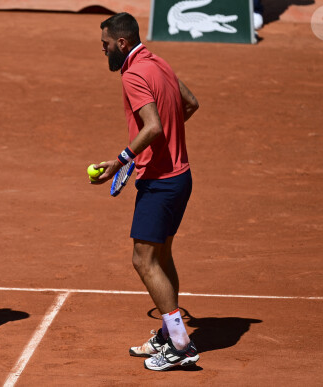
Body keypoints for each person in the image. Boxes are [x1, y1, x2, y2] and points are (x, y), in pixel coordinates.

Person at [91, 13, 200, 371]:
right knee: (162, 257)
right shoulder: (158, 62)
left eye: (105, 44)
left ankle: (181, 346)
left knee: (143, 260)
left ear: (121, 44)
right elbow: (190, 103)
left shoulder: (134, 74)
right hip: (180, 177)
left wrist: (121, 160)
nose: (102, 49)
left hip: (160, 182)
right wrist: (167, 133)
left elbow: (152, 126)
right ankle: (172, 334)